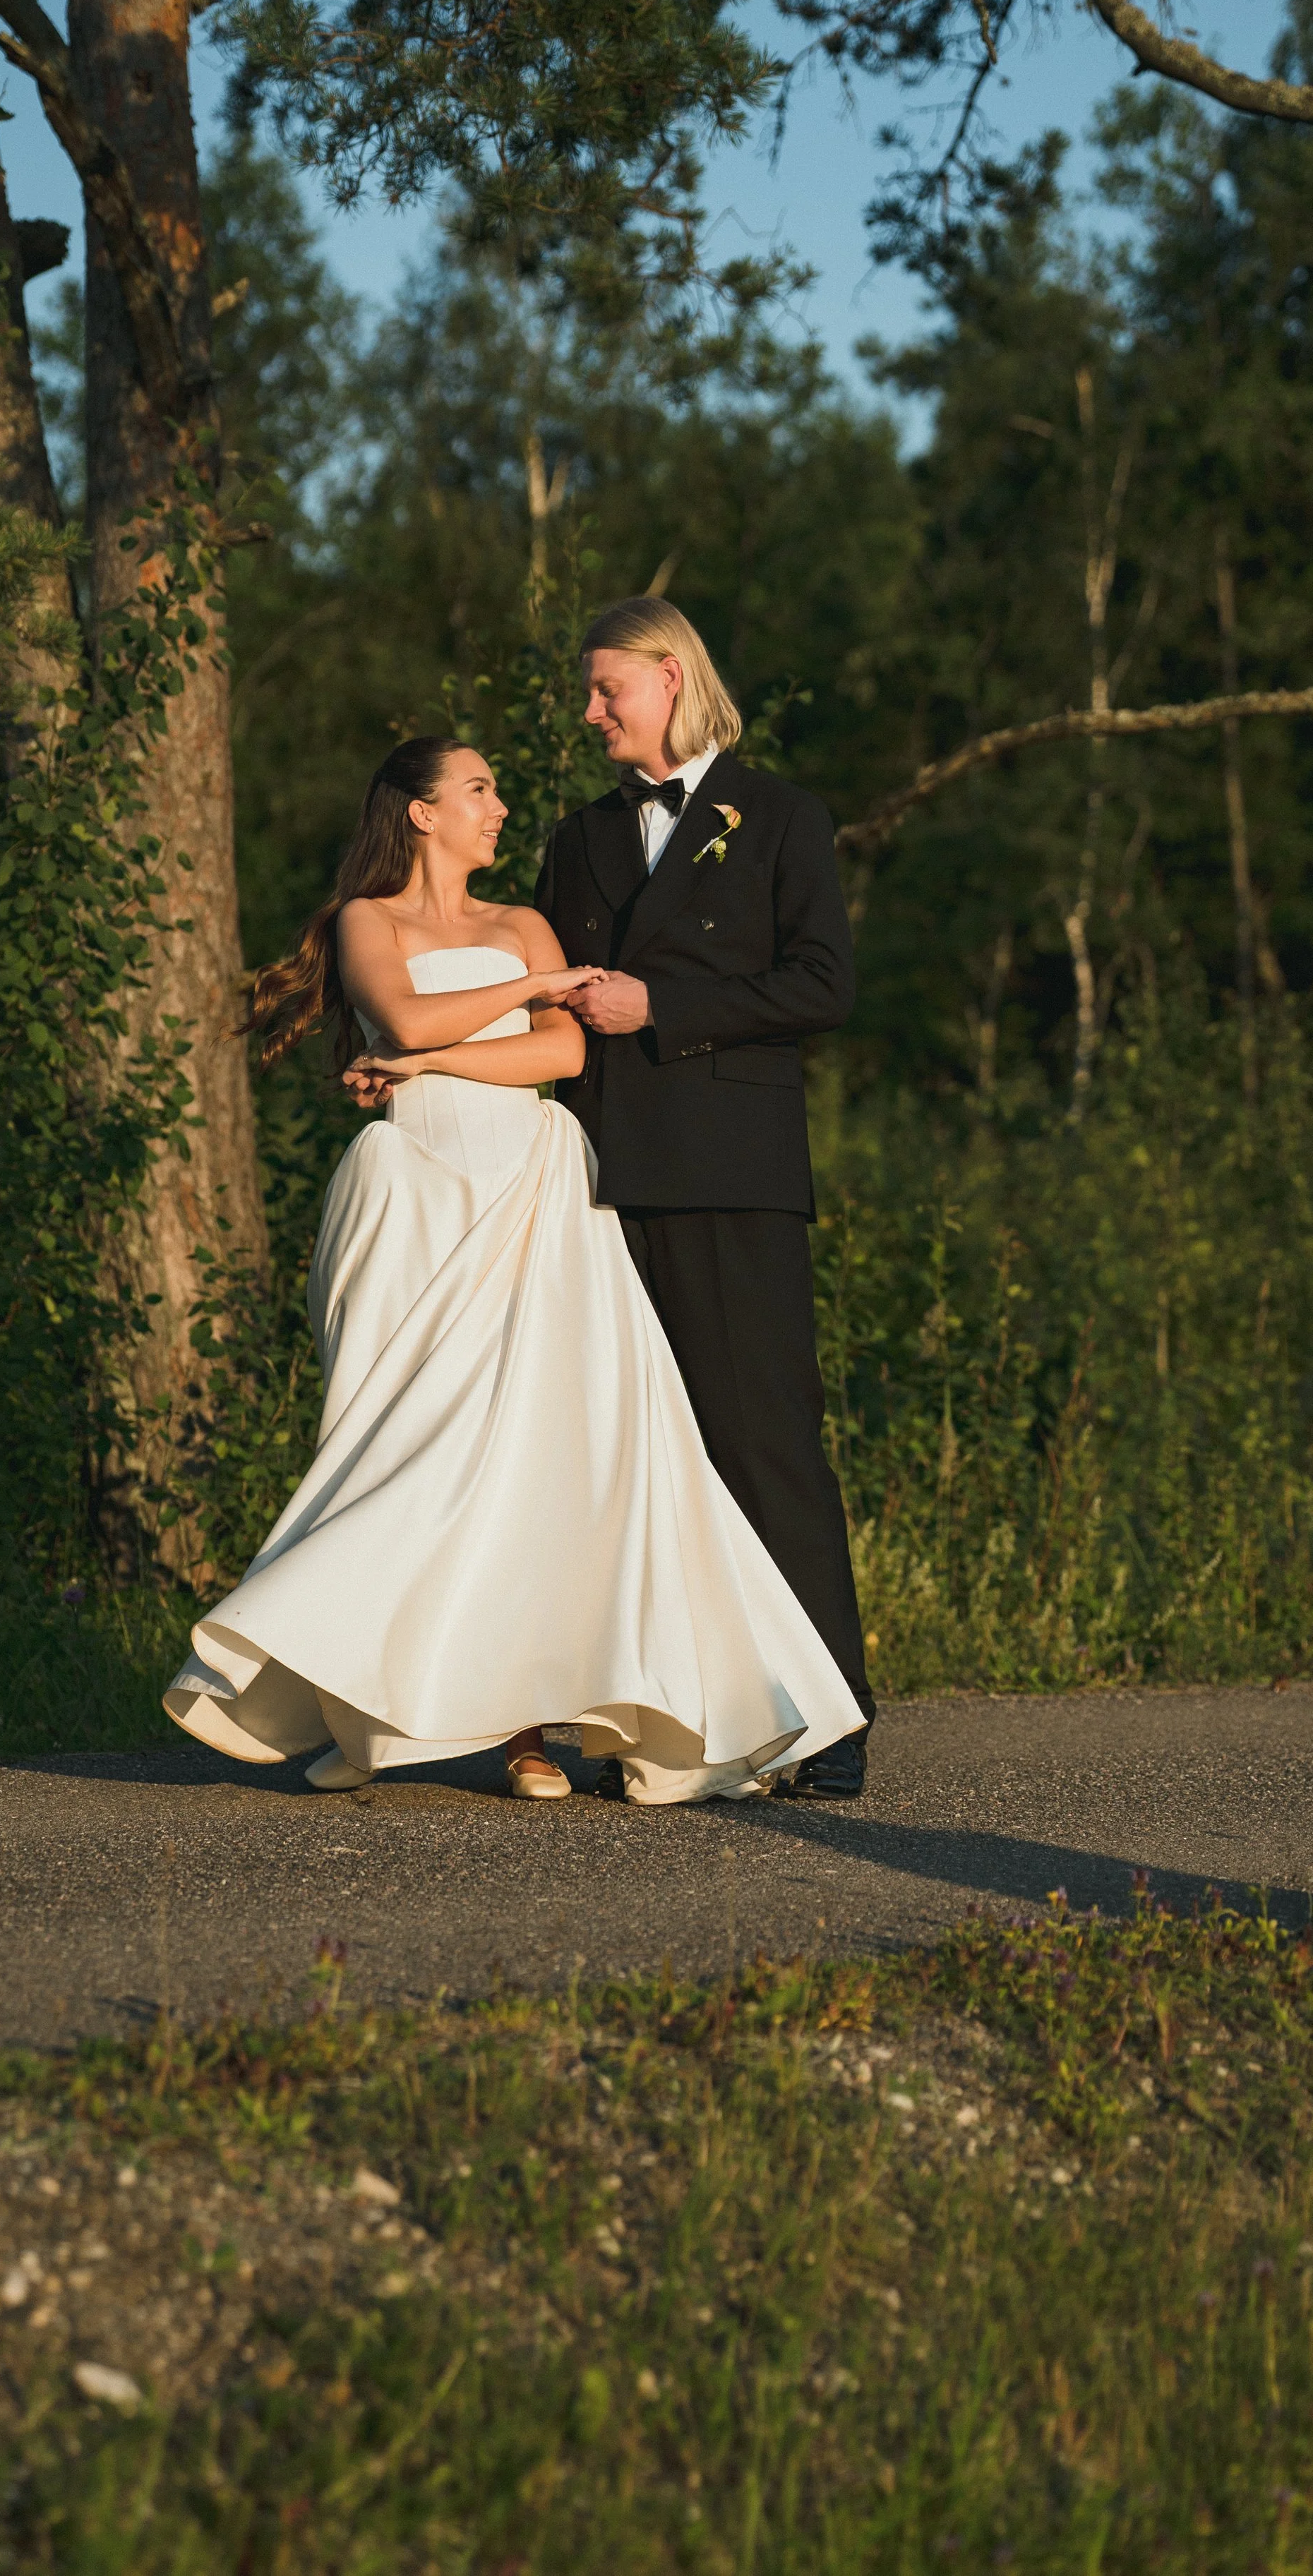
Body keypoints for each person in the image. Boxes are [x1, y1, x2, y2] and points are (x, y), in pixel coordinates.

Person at [161, 734, 865, 1803]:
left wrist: (437, 1055)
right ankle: (363, 1701)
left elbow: (562, 1052)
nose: (500, 806)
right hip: (415, 1185)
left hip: (530, 1177)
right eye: (478, 790)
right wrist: (507, 1001)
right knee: (395, 1442)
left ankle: (532, 1726)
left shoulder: (522, 923)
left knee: (548, 1449)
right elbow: (399, 1012)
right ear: (420, 812)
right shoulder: (369, 921)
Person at [534, 597, 877, 1800]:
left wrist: (662, 1012)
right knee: (622, 1460)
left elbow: (824, 984)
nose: (590, 713)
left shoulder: (781, 817)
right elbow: (538, 1003)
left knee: (763, 1442)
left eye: (604, 689)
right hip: (597, 1182)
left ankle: (829, 1724)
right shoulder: (577, 838)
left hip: (732, 1179)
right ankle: (671, 1717)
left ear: (671, 677)